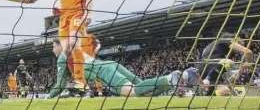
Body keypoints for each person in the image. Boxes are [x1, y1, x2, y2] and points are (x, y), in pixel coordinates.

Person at [43, 39, 186, 99]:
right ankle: (181, 79)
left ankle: (169, 78)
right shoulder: (75, 51)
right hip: (110, 64)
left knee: (132, 92)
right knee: (145, 91)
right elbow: (73, 81)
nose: (52, 49)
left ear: (60, 46)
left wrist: (47, 97)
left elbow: (60, 84)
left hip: (103, 71)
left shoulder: (63, 57)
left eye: (53, 46)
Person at [52, 0, 93, 91]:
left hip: (77, 13)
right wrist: (59, 10)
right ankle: (78, 82)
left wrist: (89, 12)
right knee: (65, 50)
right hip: (64, 18)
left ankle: (81, 81)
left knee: (74, 42)